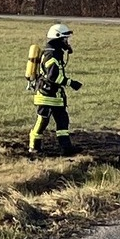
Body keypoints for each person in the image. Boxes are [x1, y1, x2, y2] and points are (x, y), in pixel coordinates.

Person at [29, 23, 82, 156]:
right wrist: (71, 83)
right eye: (65, 39)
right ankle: (34, 146)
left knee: (63, 120)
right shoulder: (51, 55)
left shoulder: (56, 52)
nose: (67, 42)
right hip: (46, 95)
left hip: (55, 96)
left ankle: (66, 147)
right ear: (58, 38)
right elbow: (53, 77)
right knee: (42, 121)